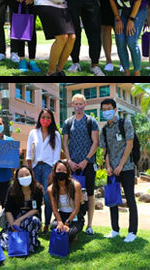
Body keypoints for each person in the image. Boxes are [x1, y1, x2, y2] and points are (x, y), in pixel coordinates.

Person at [100, 98, 139, 242]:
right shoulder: (104, 129)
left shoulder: (125, 123)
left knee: (130, 199)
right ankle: (115, 230)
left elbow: (129, 145)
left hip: (126, 167)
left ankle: (132, 232)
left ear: (115, 109)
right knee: (112, 199)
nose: (106, 112)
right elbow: (105, 150)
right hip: (112, 170)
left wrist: (121, 165)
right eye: (104, 110)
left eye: (109, 108)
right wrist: (108, 167)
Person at [62, 93, 100, 235]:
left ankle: (89, 225)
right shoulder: (68, 122)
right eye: (75, 104)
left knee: (89, 194)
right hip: (72, 166)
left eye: (80, 104)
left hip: (88, 165)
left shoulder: (91, 121)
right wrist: (69, 161)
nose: (78, 106)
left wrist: (86, 160)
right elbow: (65, 143)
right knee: (72, 194)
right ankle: (74, 221)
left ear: (85, 105)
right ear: (72, 105)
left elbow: (95, 143)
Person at [26, 108, 62, 234]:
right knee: (36, 197)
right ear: (39, 118)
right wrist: (30, 170)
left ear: (52, 120)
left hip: (49, 168)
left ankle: (47, 224)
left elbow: (57, 154)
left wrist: (54, 171)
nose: (45, 120)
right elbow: (29, 153)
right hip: (36, 167)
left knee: (48, 197)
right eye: (43, 117)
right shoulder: (33, 132)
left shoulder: (56, 134)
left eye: (48, 117)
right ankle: (38, 223)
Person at [0, 165, 43, 254]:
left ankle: (30, 244)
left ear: (31, 175)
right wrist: (13, 226)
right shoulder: (12, 189)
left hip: (29, 217)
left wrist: (19, 220)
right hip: (14, 219)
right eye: (21, 176)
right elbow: (8, 210)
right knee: (7, 244)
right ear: (17, 178)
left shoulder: (37, 189)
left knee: (33, 221)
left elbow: (36, 209)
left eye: (27, 175)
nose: (24, 177)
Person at [48, 160, 85, 243]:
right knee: (54, 226)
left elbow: (76, 209)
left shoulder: (75, 185)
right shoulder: (51, 189)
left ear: (68, 172)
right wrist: (60, 223)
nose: (61, 172)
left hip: (74, 216)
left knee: (70, 232)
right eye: (59, 170)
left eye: (64, 170)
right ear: (54, 171)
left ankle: (74, 234)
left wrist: (66, 224)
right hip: (62, 215)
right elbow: (54, 210)